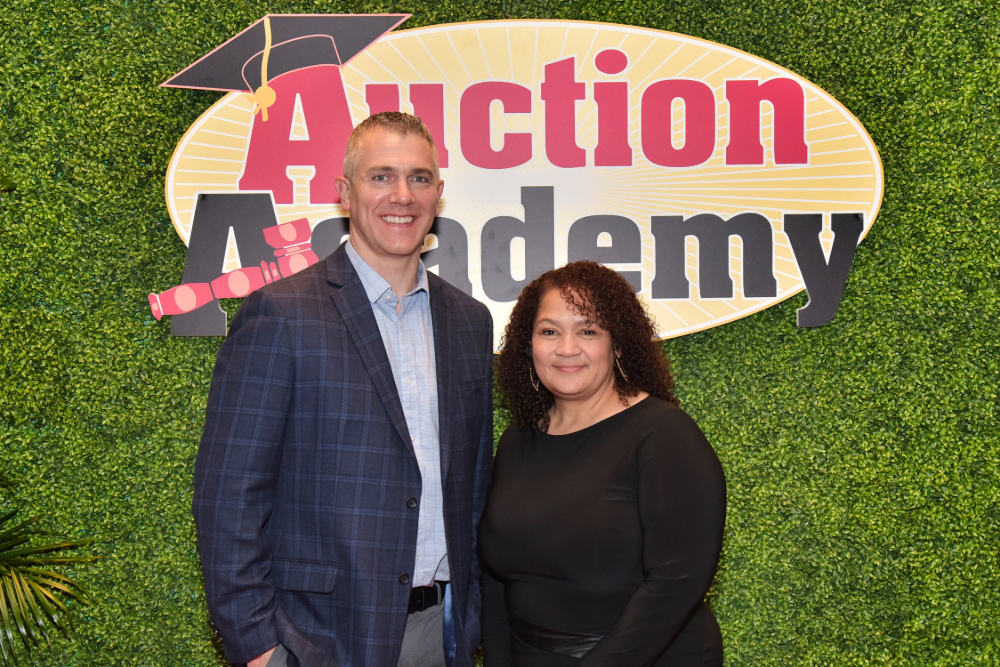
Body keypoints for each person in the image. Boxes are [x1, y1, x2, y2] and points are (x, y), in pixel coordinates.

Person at [193, 112, 494, 667]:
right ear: (345, 192)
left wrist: (469, 614)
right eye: (381, 176)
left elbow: (473, 484)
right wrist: (259, 649)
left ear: (438, 193)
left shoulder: (469, 321)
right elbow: (229, 496)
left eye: (419, 178)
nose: (402, 195)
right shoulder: (282, 313)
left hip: (440, 633)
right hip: (317, 639)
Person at [479, 261, 726, 667]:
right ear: (528, 344)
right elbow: (495, 580)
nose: (567, 348)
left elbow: (676, 584)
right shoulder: (517, 441)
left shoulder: (664, 435)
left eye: (588, 331)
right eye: (549, 331)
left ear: (619, 344)